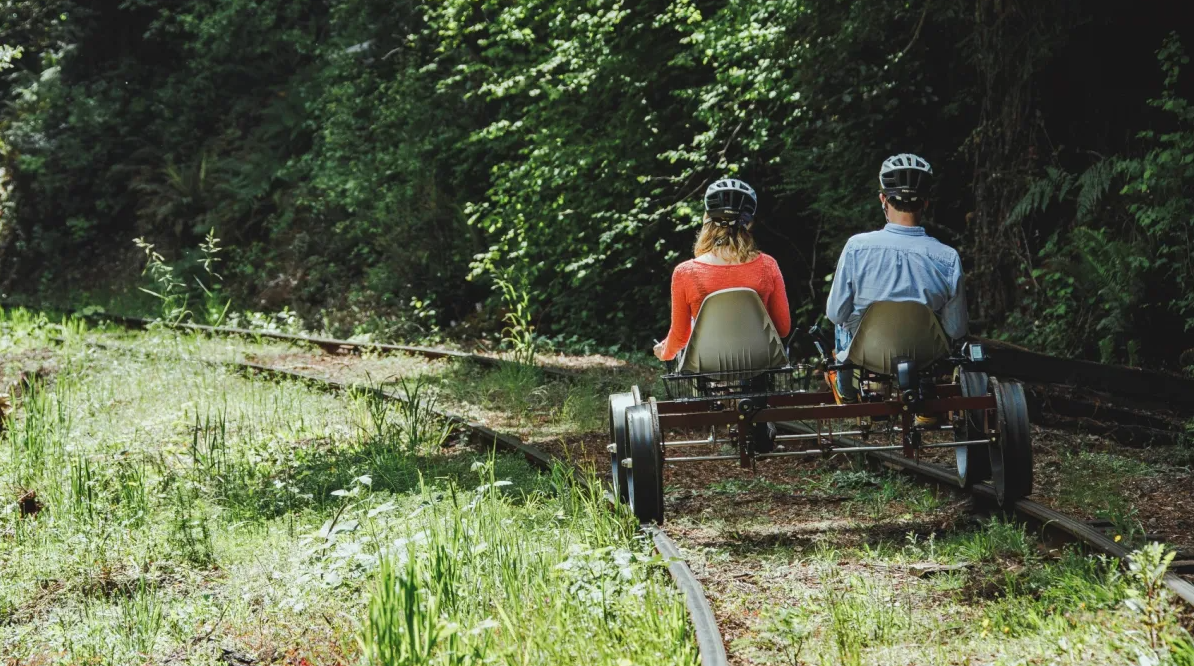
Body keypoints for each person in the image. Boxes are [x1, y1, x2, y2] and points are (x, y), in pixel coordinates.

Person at [825, 153, 968, 401]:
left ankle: (846, 389)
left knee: (840, 318)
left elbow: (836, 314)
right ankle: (923, 387)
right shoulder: (948, 257)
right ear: (925, 202)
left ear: (883, 199)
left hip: (867, 353)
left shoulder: (856, 248)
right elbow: (956, 330)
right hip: (925, 355)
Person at [654, 178, 791, 362]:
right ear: (748, 224)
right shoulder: (768, 265)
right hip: (760, 361)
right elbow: (782, 328)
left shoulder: (685, 272)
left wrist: (664, 352)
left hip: (705, 365)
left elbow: (680, 337)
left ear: (706, 220)